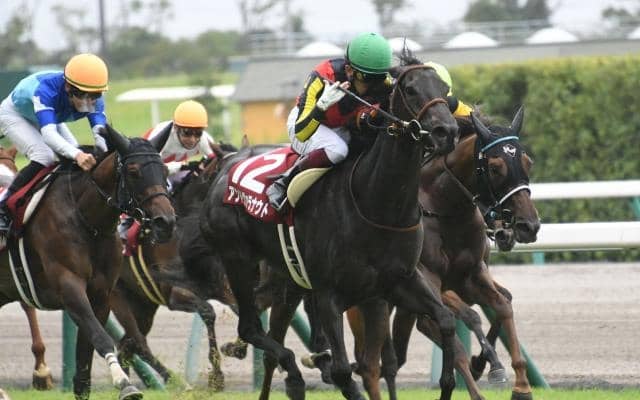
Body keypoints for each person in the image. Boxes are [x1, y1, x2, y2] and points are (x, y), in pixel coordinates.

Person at [266, 32, 393, 212]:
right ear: (349, 70)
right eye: (367, 79)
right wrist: (321, 107)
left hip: (339, 127)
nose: (373, 85)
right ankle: (283, 182)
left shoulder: (383, 80)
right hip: (305, 125)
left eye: (378, 78)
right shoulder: (323, 75)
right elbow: (302, 133)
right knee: (338, 150)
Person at [0, 53, 109, 235]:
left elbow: (101, 136)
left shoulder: (93, 101)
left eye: (95, 95)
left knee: (74, 152)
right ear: (68, 87)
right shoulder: (46, 90)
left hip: (49, 116)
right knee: (44, 155)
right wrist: (78, 155)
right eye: (83, 95)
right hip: (15, 114)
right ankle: (3, 205)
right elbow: (49, 135)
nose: (89, 102)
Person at [117, 99, 216, 243]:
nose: (192, 139)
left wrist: (201, 166)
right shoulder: (162, 135)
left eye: (198, 133)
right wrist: (183, 166)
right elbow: (152, 170)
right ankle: (126, 223)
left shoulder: (205, 139)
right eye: (187, 133)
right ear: (176, 128)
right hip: (147, 170)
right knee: (162, 190)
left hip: (169, 168)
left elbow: (215, 160)